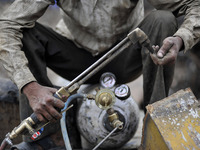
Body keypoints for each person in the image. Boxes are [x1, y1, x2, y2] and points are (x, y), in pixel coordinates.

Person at [0, 0, 199, 149]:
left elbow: (194, 5)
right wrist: (30, 86)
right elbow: (6, 26)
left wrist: (182, 38)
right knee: (25, 33)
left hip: (126, 54)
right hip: (74, 59)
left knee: (163, 20)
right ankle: (47, 138)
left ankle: (157, 129)